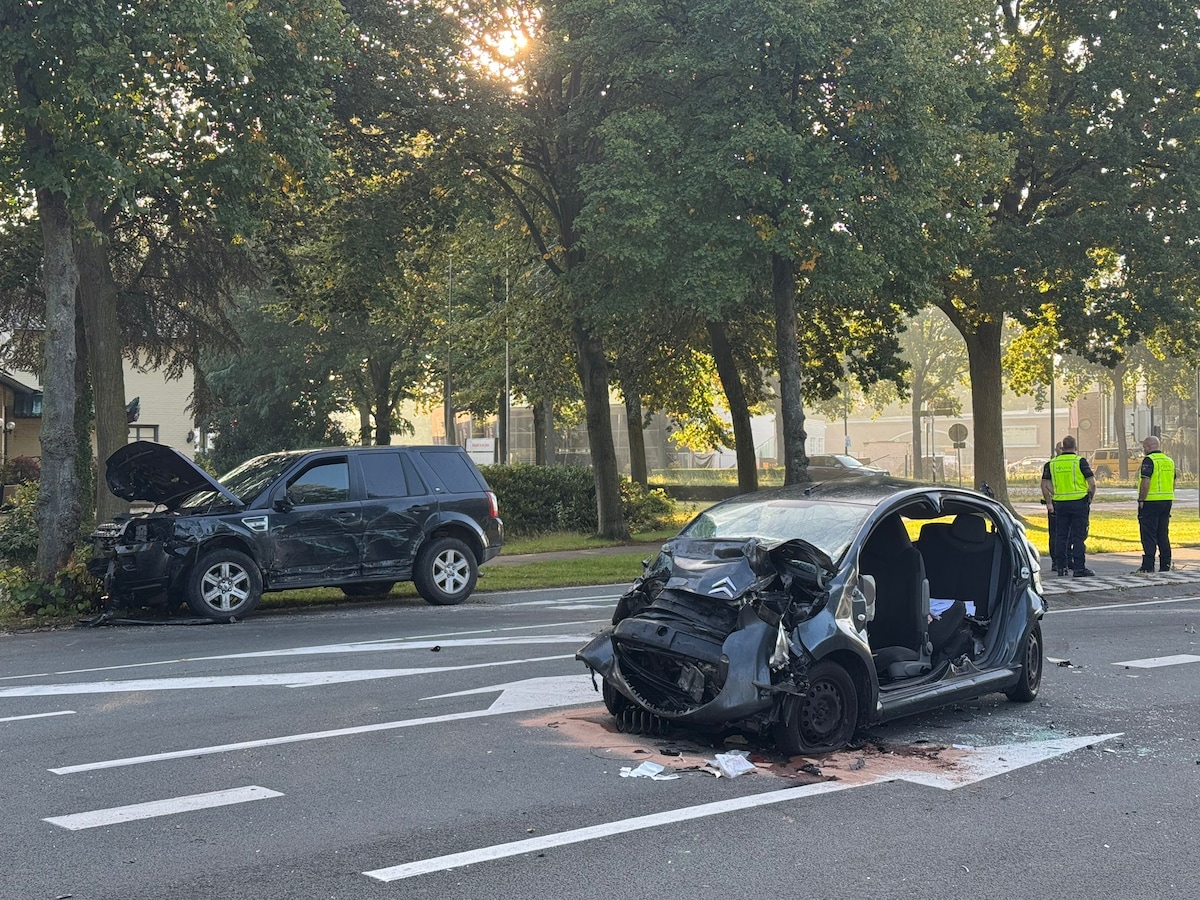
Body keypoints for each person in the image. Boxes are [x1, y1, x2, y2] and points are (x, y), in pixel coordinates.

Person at [1041, 435, 1096, 577]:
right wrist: (1089, 498)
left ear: (1062, 447)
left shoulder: (1052, 464)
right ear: (1075, 447)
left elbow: (1045, 484)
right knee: (1078, 537)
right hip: (1079, 503)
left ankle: (1061, 567)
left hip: (1060, 504)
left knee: (1061, 536)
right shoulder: (1080, 462)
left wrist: (1054, 496)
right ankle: (1079, 568)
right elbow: (1092, 483)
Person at [1136, 435, 1175, 573]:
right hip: (1167, 500)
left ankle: (1148, 566)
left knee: (1148, 534)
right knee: (1162, 533)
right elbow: (1173, 481)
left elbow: (1145, 482)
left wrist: (1141, 500)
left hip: (1151, 501)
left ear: (1148, 447)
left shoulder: (1149, 460)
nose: (1143, 449)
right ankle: (1165, 564)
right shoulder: (1169, 461)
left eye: (1144, 447)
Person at [1040, 442, 1065, 571]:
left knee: (1072, 534)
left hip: (1071, 503)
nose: (1062, 450)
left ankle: (1068, 560)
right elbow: (1044, 484)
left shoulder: (1075, 463)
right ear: (1056, 450)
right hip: (1056, 503)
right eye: (1060, 448)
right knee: (1055, 533)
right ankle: (1056, 561)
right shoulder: (1050, 465)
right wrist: (1049, 502)